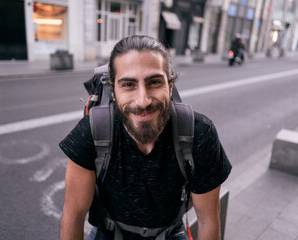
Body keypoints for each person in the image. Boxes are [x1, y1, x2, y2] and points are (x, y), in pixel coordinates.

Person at [59, 35, 232, 240]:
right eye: (128, 85)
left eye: (154, 82)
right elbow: (73, 218)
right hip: (108, 234)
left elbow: (207, 220)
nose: (143, 101)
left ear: (170, 85)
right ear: (113, 91)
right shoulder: (92, 132)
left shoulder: (199, 134)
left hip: (170, 234)